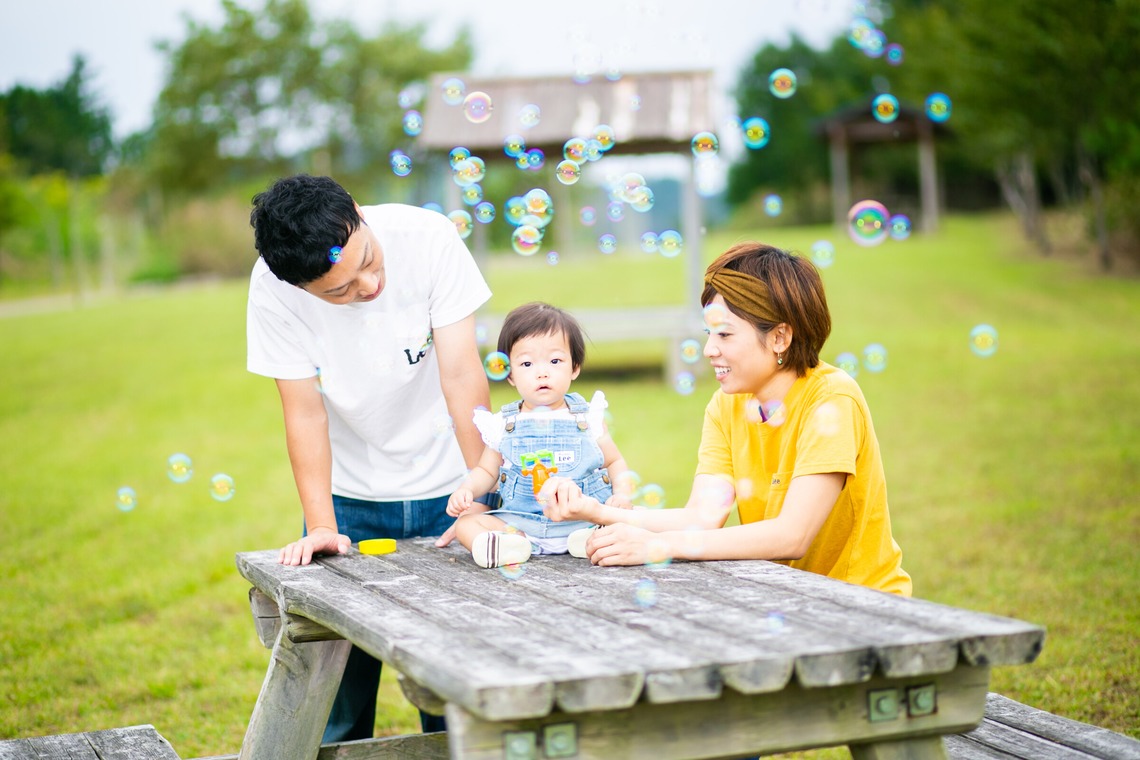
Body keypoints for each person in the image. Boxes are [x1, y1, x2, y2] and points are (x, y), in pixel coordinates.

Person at [246, 174, 493, 742]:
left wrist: (481, 494)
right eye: (341, 290)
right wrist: (322, 525)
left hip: (453, 492)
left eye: (369, 260)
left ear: (357, 211)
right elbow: (304, 413)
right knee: (334, 704)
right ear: (299, 287)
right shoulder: (272, 287)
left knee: (459, 699)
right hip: (350, 502)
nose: (370, 284)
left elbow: (461, 374)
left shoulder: (429, 237)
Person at [540, 242, 912, 597]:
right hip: (788, 597)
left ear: (780, 337)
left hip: (862, 601)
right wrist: (596, 511)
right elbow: (702, 517)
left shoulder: (831, 399)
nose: (709, 349)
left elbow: (792, 536)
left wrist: (657, 545)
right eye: (708, 333)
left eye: (725, 334)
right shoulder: (727, 405)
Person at [441, 302, 633, 568]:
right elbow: (486, 471)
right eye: (527, 363)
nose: (542, 373)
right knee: (466, 524)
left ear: (575, 367)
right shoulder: (504, 424)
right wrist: (467, 490)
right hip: (520, 525)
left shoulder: (587, 417)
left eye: (555, 361)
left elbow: (614, 462)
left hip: (582, 520)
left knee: (629, 518)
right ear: (510, 374)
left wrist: (622, 495)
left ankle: (591, 539)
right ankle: (509, 545)